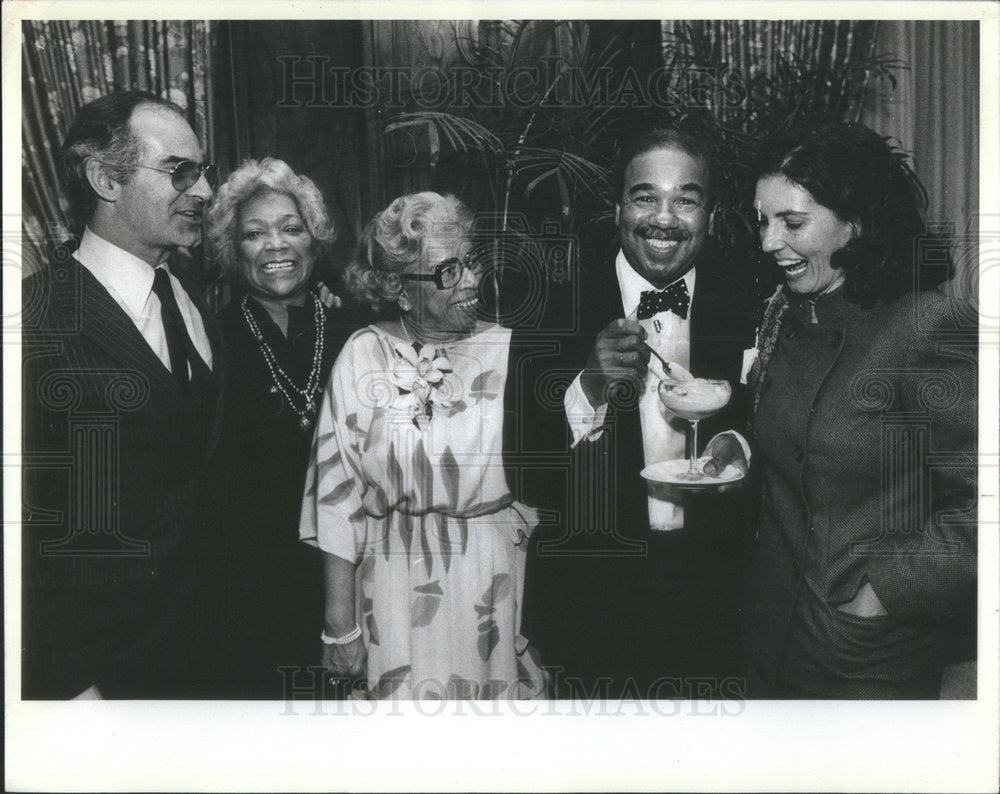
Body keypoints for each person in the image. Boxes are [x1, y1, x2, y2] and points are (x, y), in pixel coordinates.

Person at [740, 121, 977, 698]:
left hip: (866, 658)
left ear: (856, 224)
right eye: (763, 221)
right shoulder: (785, 312)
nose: (769, 242)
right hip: (768, 640)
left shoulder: (924, 325)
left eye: (792, 223)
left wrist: (884, 593)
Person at [520, 127, 758, 698]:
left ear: (711, 213)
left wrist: (740, 449)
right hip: (590, 608)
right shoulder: (552, 303)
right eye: (646, 196)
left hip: (717, 604)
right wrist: (590, 387)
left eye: (687, 199)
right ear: (618, 207)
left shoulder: (753, 300)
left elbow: (774, 426)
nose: (665, 218)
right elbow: (525, 471)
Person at [299, 191, 548, 700]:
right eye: (447, 272)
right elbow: (336, 495)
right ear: (398, 288)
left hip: (492, 579)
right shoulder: (363, 356)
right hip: (393, 586)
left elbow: (544, 484)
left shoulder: (511, 348)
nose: (472, 282)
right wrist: (340, 627)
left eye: (471, 262)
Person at [22, 90, 226, 698]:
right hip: (106, 679)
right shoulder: (33, 321)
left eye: (204, 171)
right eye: (179, 172)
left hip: (216, 656)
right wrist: (68, 682)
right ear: (105, 178)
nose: (206, 192)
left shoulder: (196, 303)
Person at [206, 158, 356, 698]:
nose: (276, 245)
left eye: (291, 228)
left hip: (352, 571)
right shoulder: (209, 337)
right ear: (232, 248)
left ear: (314, 239)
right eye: (254, 233)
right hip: (248, 588)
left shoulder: (357, 329)